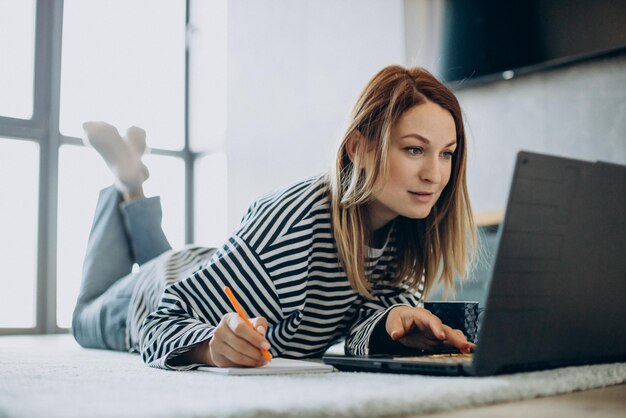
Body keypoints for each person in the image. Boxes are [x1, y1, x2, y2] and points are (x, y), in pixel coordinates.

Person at [72, 65, 477, 370]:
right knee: (83, 315)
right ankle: (125, 184)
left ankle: (131, 184)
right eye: (413, 149)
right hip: (151, 294)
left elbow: (359, 334)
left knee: (161, 257)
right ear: (357, 148)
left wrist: (395, 326)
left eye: (446, 153)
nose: (436, 174)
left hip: (202, 266)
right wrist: (210, 349)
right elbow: (163, 318)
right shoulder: (294, 227)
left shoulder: (410, 232)